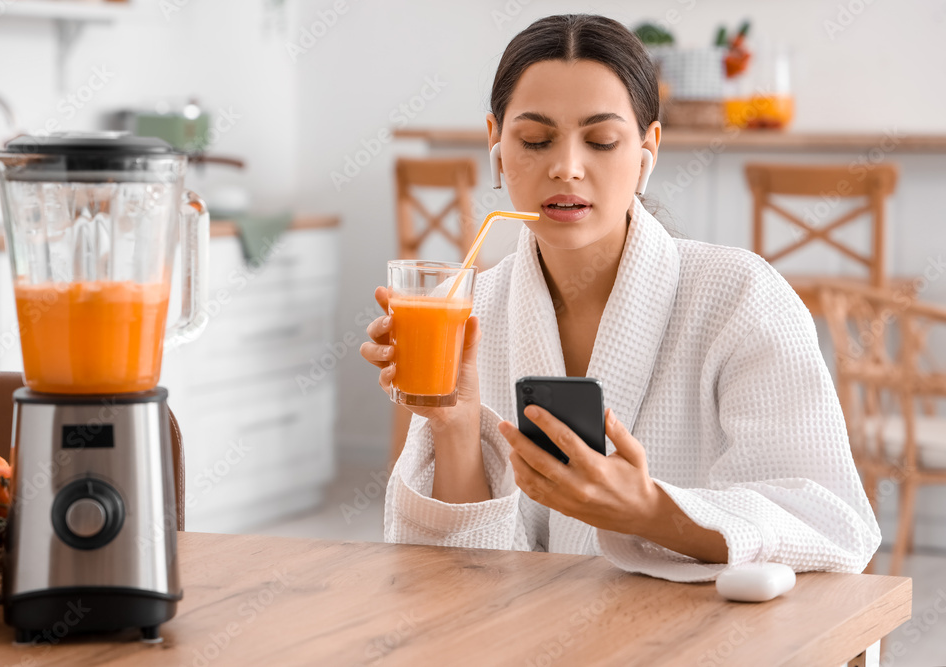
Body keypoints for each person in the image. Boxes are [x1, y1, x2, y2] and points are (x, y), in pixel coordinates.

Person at [359, 13, 880, 582]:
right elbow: (464, 577)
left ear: (646, 151)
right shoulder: (471, 311)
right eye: (535, 140)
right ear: (496, 144)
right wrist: (454, 428)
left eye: (602, 140)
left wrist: (650, 512)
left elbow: (831, 524)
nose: (566, 167)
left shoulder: (742, 296)